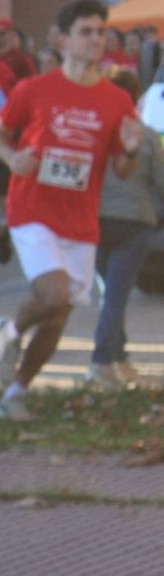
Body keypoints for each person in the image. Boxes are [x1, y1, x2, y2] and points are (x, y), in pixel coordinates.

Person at [0, 0, 146, 420]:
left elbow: (124, 169)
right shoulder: (34, 89)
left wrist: (130, 150)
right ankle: (12, 329)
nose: (96, 39)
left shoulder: (116, 99)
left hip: (80, 219)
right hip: (32, 208)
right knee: (53, 293)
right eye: (86, 32)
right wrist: (12, 159)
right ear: (63, 39)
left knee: (59, 313)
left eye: (101, 32)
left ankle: (15, 393)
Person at [89, 68, 164, 388]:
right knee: (115, 298)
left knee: (110, 295)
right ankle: (102, 361)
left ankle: (117, 356)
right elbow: (161, 183)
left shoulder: (93, 132)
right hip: (133, 224)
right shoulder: (147, 136)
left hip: (93, 222)